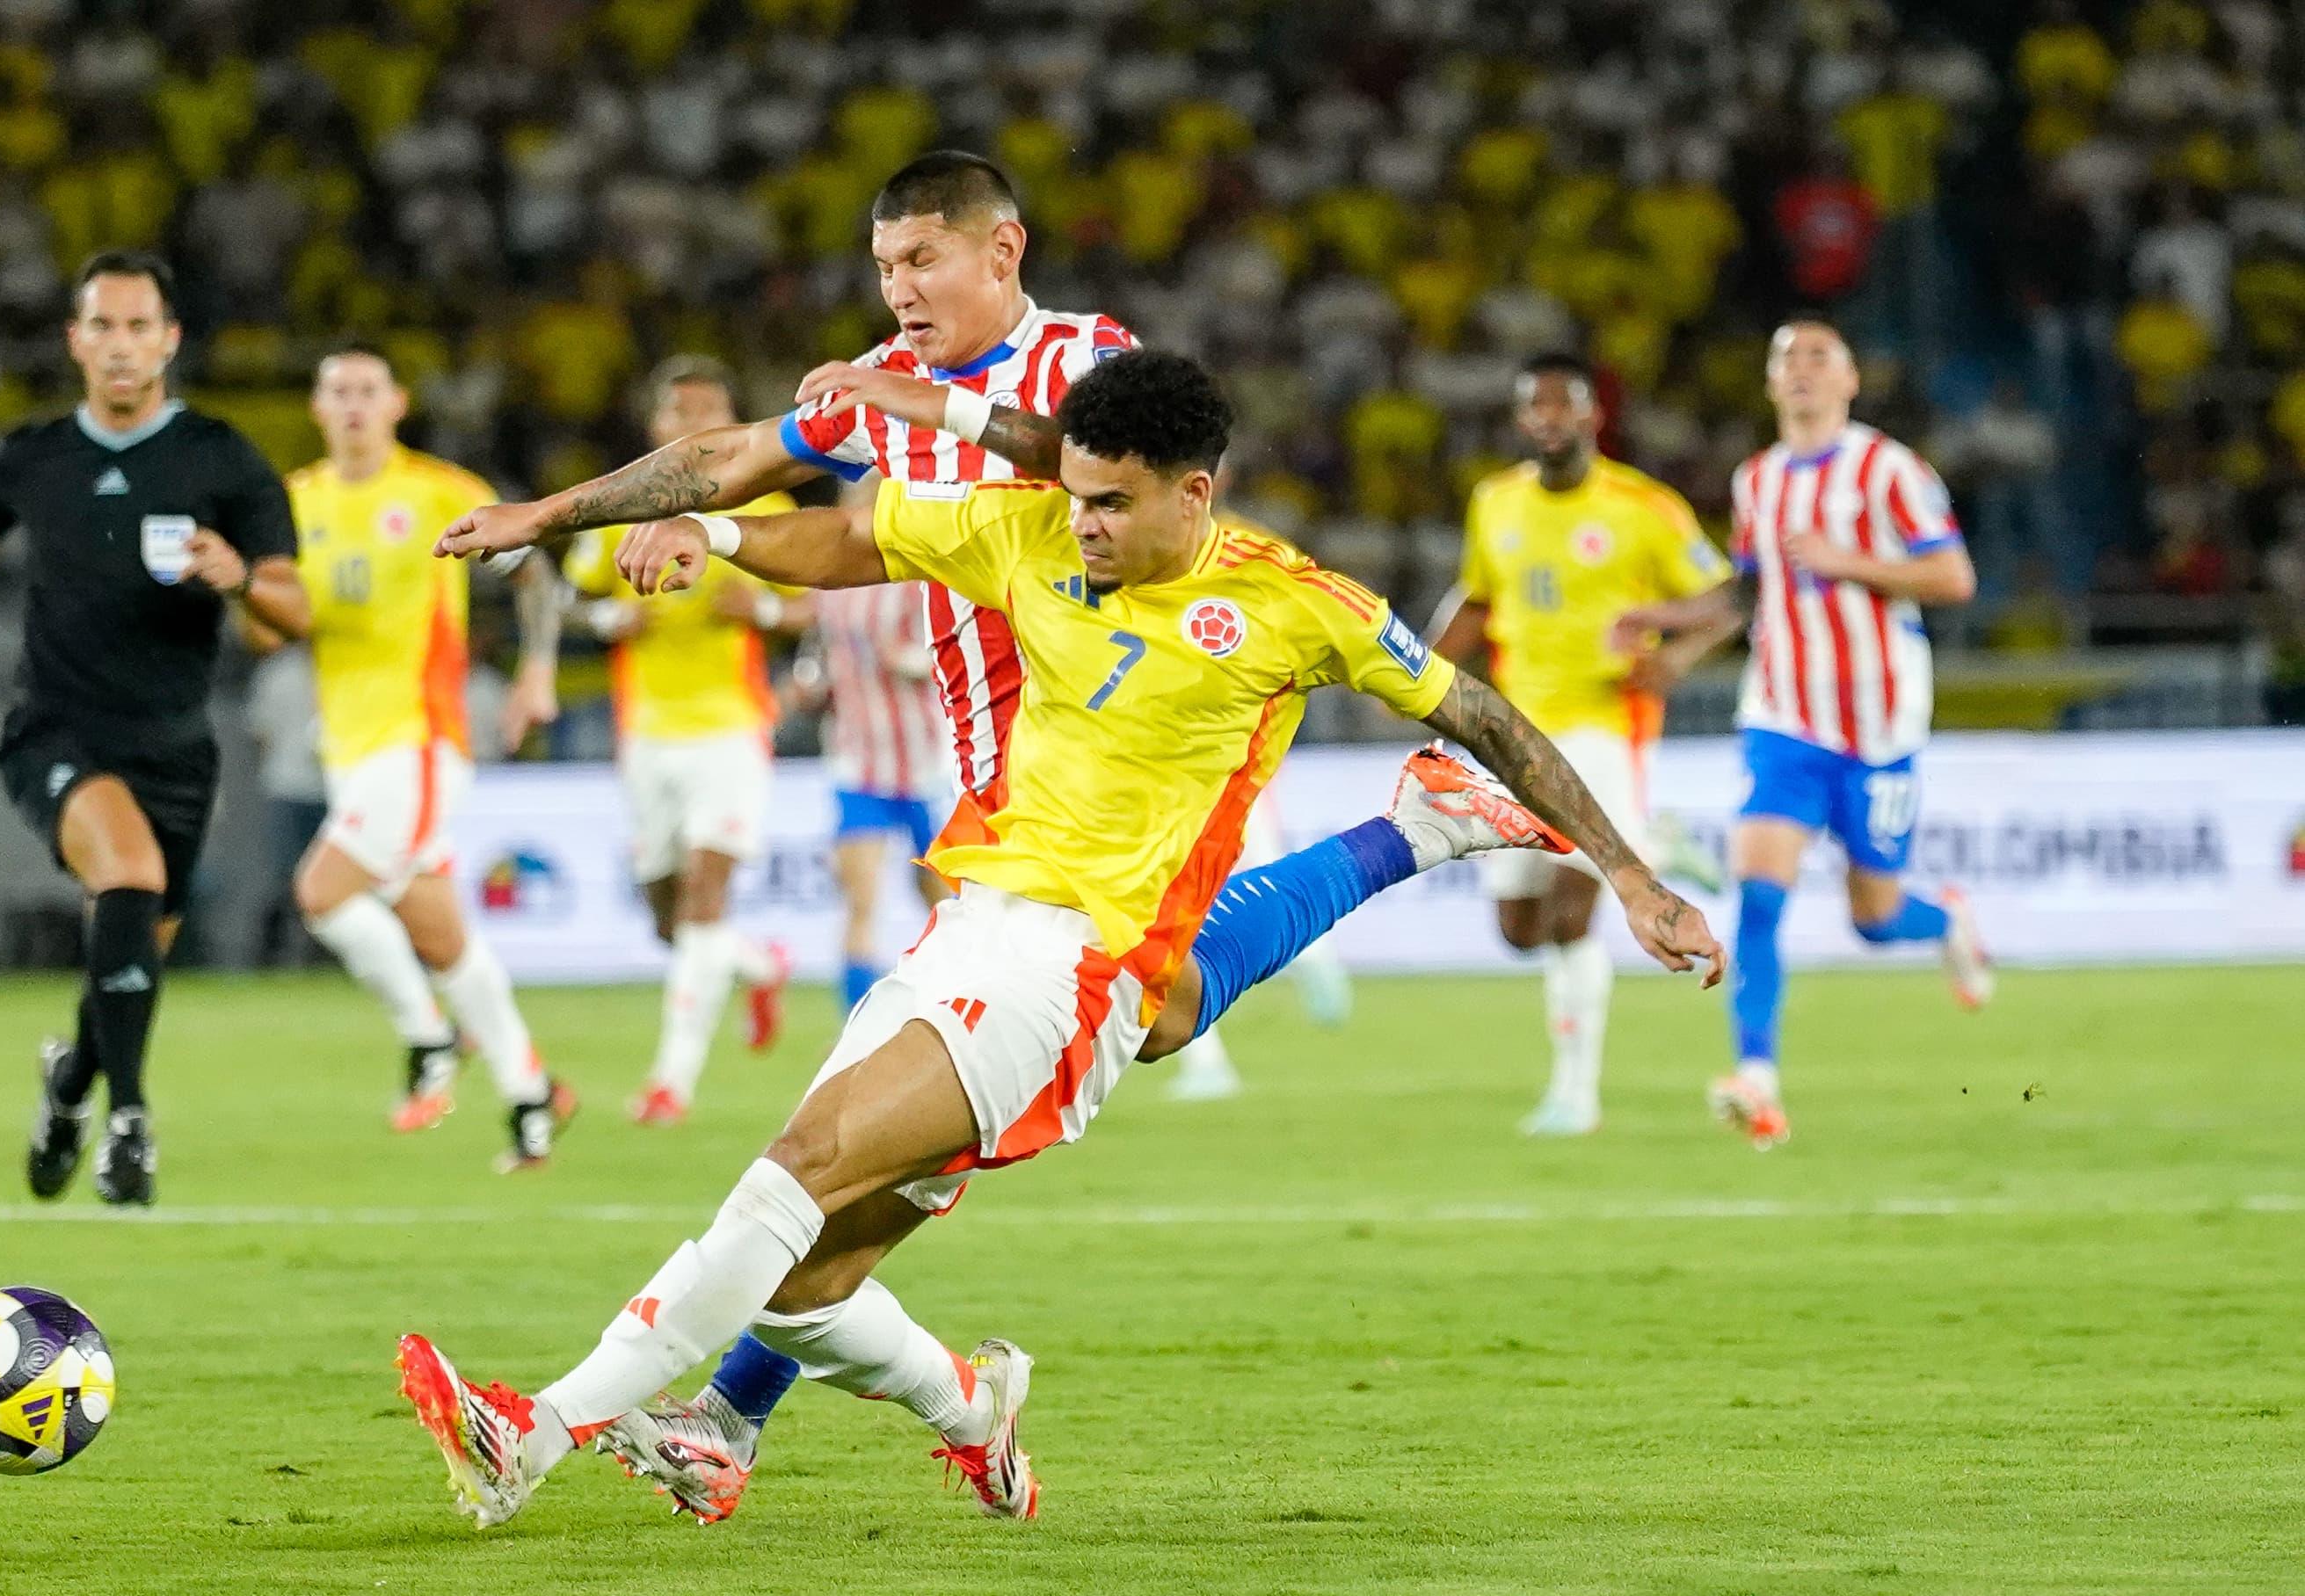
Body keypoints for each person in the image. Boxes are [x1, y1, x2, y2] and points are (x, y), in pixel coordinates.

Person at [393, 350, 1725, 1530]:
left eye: (1110, 501)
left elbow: (1482, 715)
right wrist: (718, 540)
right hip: (967, 926)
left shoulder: (1295, 605)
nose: (1079, 522)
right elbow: (849, 541)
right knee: (799, 1283)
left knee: (792, 1168)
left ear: (1193, 493)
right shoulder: (1028, 533)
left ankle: (535, 1429)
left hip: (1073, 977)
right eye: (1073, 492)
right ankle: (973, 1405)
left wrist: (1627, 872)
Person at [0, 249, 309, 1207]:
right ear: (75, 340)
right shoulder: (35, 456)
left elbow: (292, 606)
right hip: (56, 731)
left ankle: (70, 1085)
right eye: (102, 327)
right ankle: (131, 1121)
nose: (120, 346)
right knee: (128, 876)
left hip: (176, 750)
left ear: (169, 339)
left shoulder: (220, 458)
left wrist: (237, 577)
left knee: (129, 949)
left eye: (138, 326)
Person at [1617, 319, 1989, 1150]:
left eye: (1821, 358)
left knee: (1876, 917)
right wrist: (1673, 636)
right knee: (1758, 894)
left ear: (1851, 380)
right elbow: (1751, 589)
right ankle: (1758, 1077)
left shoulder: (1889, 470)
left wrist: (1845, 559)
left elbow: (1954, 576)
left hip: (1881, 725)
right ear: (1770, 384)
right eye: (1787, 359)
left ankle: (1948, 920)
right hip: (1783, 720)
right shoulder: (1759, 480)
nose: (1803, 372)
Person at [1429, 353, 1741, 1136]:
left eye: (1565, 406)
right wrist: (1417, 673)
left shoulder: (1643, 507)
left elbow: (1729, 597)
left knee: (1574, 918)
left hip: (1605, 722)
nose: (1550, 420)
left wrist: (1672, 653)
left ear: (1592, 415)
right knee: (1519, 931)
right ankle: (1658, 843)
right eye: (1536, 408)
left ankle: (1576, 1092)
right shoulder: (1494, 502)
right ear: (1520, 419)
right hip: (1513, 734)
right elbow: (1477, 598)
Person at [287, 345, 571, 1165]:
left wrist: (538, 669)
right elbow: (272, 611)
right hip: (347, 744)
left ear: (397, 403)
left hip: (418, 739)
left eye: (367, 390)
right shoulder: (294, 500)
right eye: (336, 389)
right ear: (315, 406)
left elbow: (534, 568)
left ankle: (429, 1037)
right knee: (443, 937)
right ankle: (531, 1094)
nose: (352, 404)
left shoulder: (440, 491)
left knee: (323, 891)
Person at [530, 356, 796, 1127]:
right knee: (667, 916)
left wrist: (770, 614)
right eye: (681, 412)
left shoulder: (766, 506)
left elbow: (824, 600)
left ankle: (669, 1081)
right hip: (645, 733)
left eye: (711, 411)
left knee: (705, 900)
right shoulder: (622, 510)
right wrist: (612, 620)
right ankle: (757, 962)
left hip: (732, 728)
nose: (695, 425)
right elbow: (569, 602)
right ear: (657, 426)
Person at [761, 475, 954, 1015]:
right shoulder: (832, 587)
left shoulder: (928, 578)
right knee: (860, 901)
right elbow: (818, 659)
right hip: (858, 763)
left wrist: (907, 660)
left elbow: (952, 658)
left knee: (941, 903)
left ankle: (946, 1010)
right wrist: (805, 689)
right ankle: (858, 1027)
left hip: (926, 764)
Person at [243, 641, 326, 965]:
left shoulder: (344, 663)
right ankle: (274, 955)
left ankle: (321, 955)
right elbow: (260, 733)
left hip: (331, 789)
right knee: (284, 877)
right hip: (289, 788)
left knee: (331, 878)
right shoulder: (277, 671)